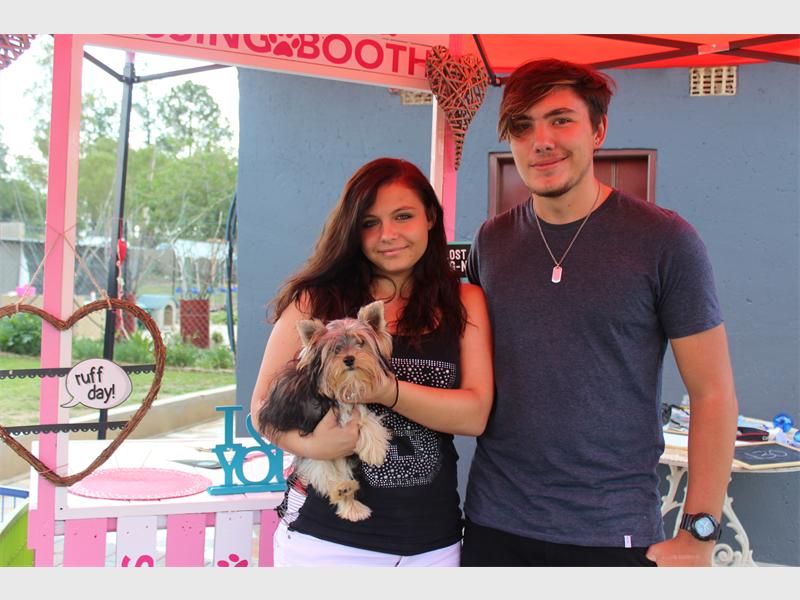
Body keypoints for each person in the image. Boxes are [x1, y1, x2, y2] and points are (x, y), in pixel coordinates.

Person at [461, 59, 738, 567]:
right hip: (493, 524)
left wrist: (700, 531)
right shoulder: (491, 242)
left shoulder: (665, 241)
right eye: (522, 126)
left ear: (598, 130)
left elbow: (713, 393)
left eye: (561, 120)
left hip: (614, 532)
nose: (541, 141)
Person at [250, 157, 493, 567]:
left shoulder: (464, 301)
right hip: (327, 543)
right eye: (370, 223)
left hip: (433, 545)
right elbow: (261, 410)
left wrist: (386, 390)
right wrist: (311, 444)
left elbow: (475, 416)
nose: (388, 235)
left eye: (403, 216)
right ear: (352, 229)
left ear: (430, 217)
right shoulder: (315, 301)